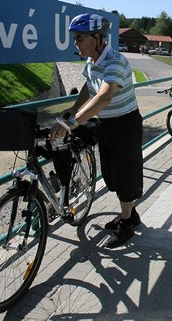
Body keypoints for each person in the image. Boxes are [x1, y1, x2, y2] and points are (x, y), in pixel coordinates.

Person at [50, 13, 143, 248]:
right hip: (107, 123)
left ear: (97, 37)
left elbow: (104, 97)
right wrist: (73, 109)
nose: (75, 43)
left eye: (79, 38)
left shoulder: (115, 61)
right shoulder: (92, 61)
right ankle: (129, 214)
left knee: (124, 174)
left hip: (125, 123)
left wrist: (72, 122)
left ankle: (126, 224)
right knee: (111, 174)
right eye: (75, 38)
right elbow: (89, 87)